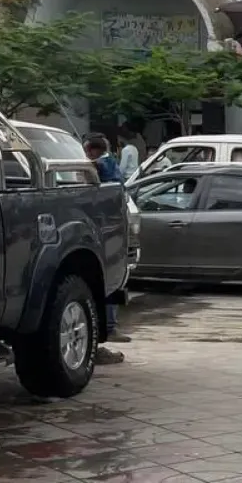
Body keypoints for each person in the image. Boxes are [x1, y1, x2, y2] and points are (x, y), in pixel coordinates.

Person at [84, 136, 130, 364]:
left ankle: (108, 328)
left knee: (106, 283)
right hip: (113, 230)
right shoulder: (112, 165)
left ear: (91, 151)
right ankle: (110, 327)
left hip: (101, 230)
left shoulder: (99, 166)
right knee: (110, 281)